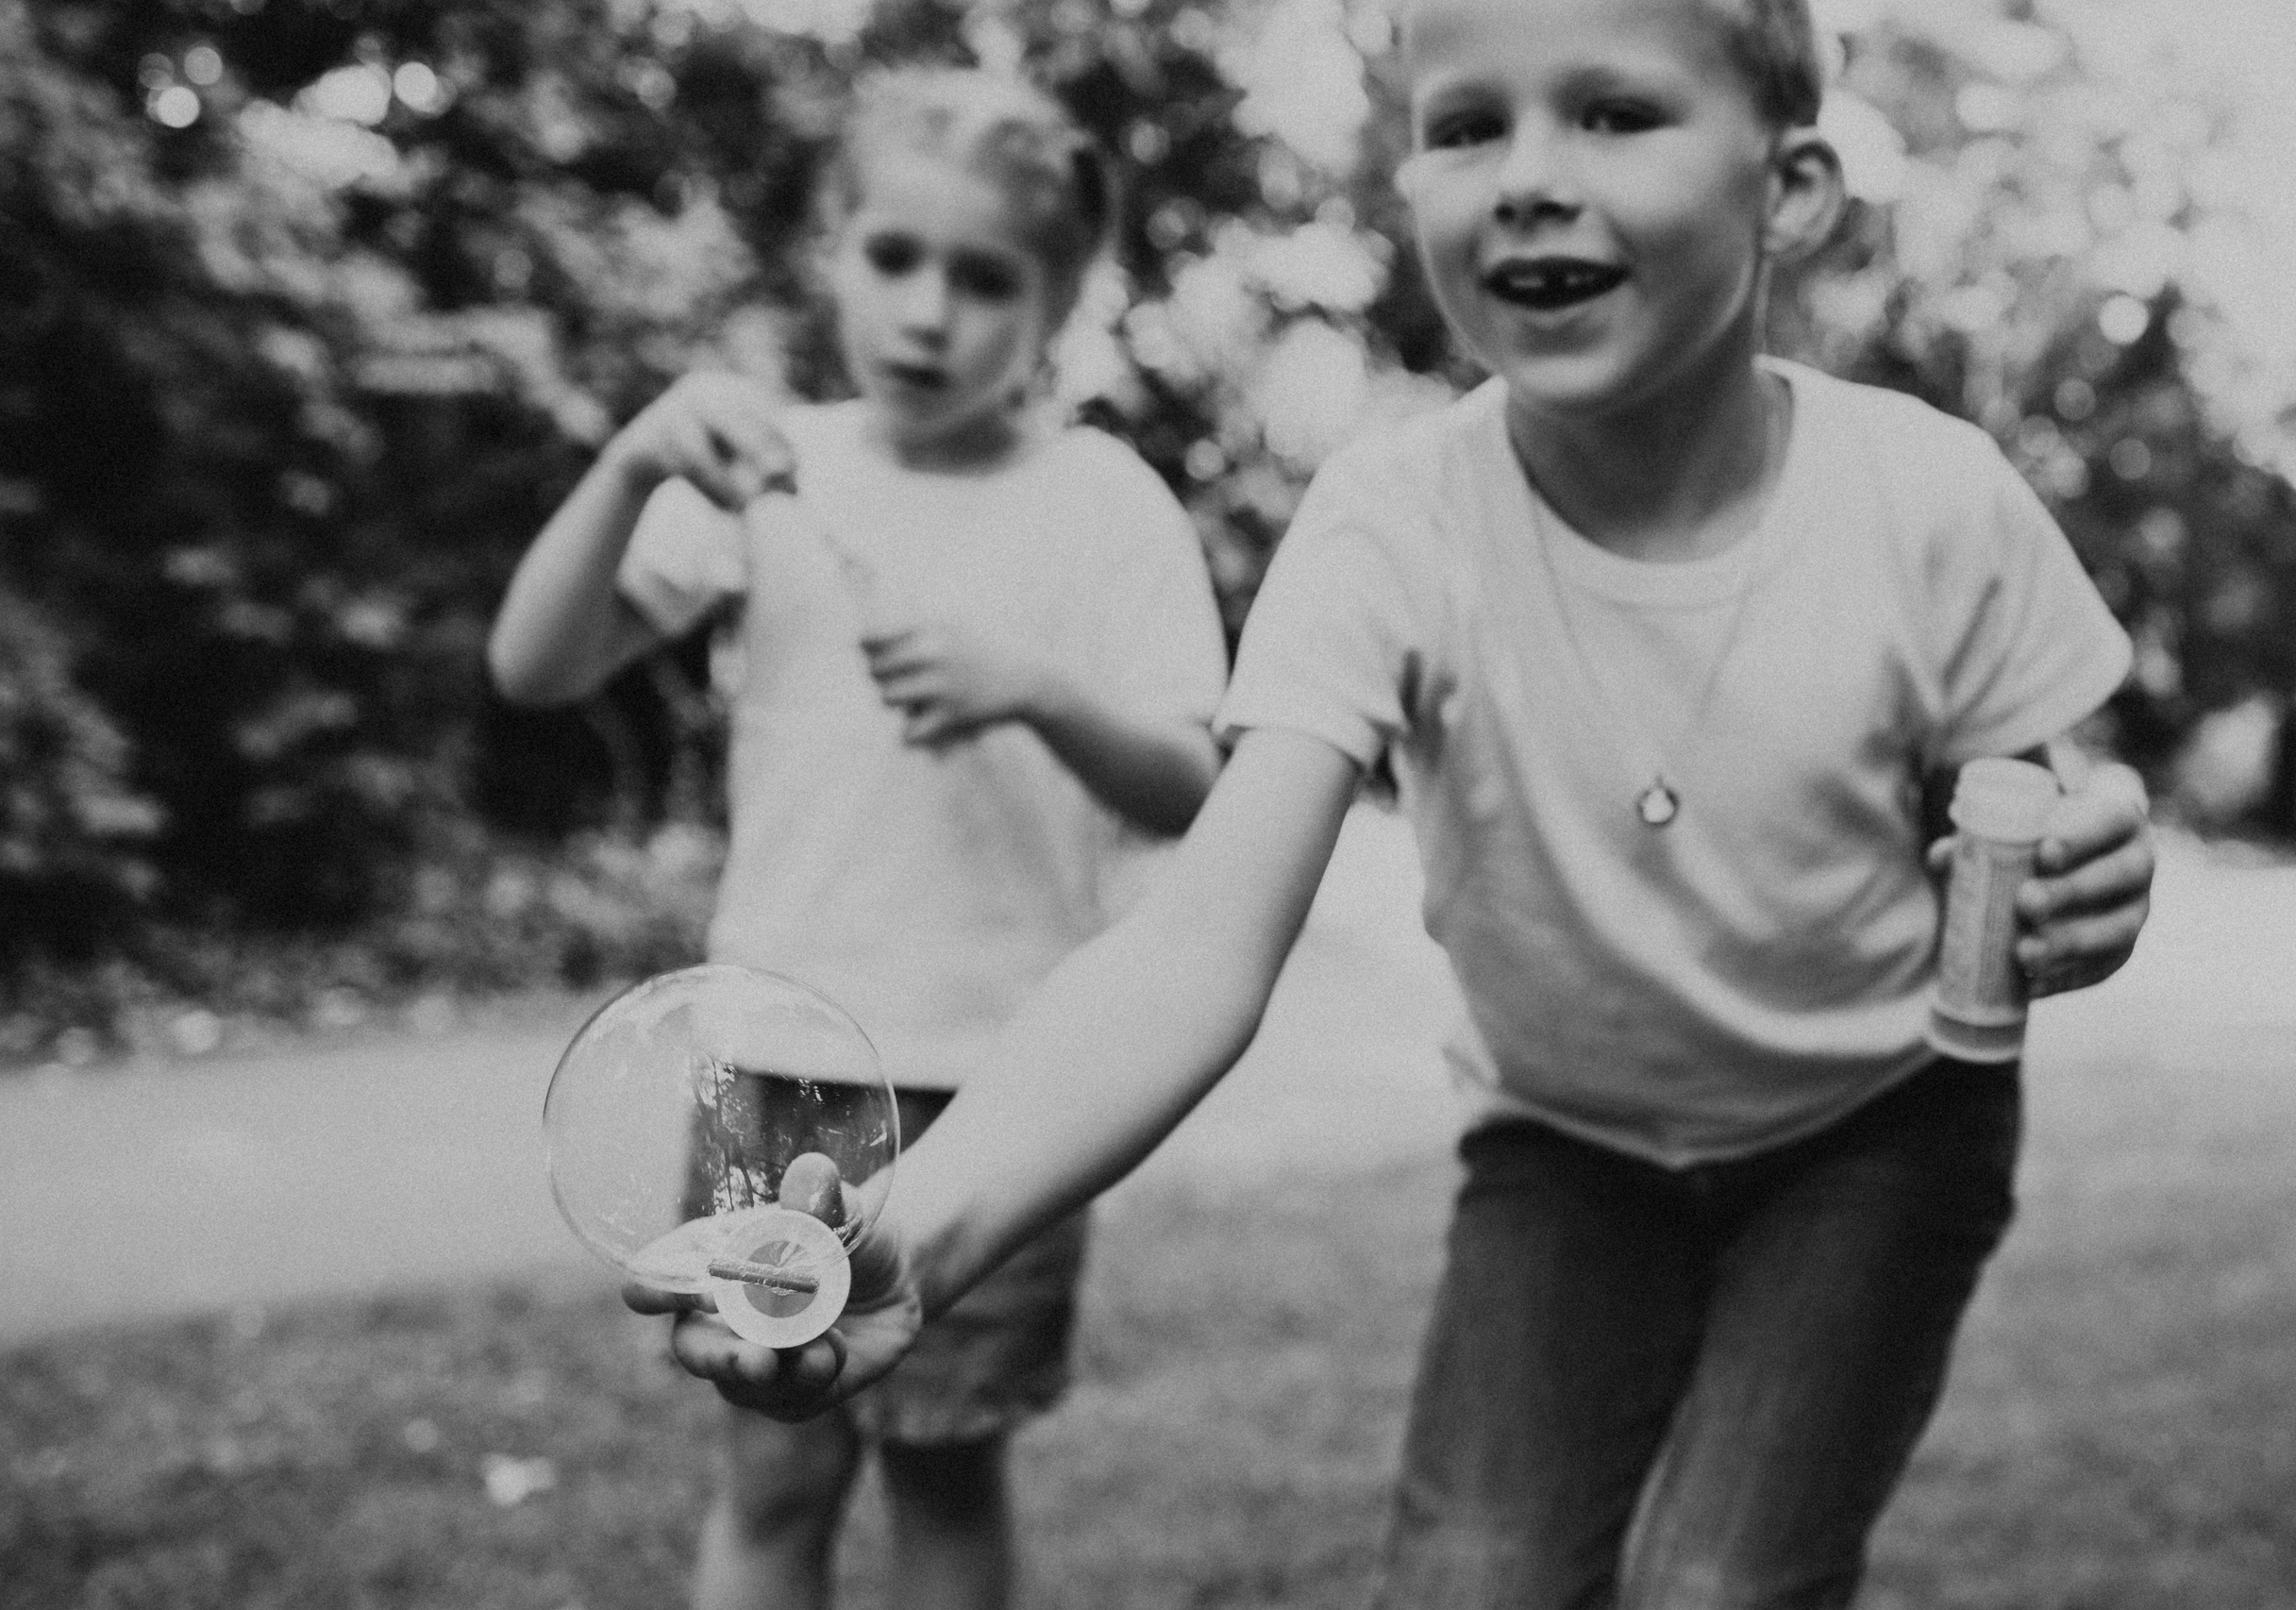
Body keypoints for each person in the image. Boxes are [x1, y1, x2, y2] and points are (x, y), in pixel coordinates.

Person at [645, 1, 2159, 1604]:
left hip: (1874, 1132)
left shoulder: (1930, 499)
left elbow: (2049, 806)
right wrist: (914, 1237)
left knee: (1719, 1581)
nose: (1526, 177)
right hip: (1571, 1148)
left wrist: (2087, 879)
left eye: (1614, 114)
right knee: (1472, 1578)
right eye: (1464, 127)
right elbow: (1194, 946)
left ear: (1788, 188)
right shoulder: (1389, 522)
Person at [488, 66, 1228, 1610]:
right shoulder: (774, 477)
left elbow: (1198, 788)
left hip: (1012, 1081)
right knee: (772, 1466)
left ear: (1058, 301)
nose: (928, 310)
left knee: (945, 1459)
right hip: (774, 1064)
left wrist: (1034, 691)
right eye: (893, 257)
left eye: (984, 277)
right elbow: (536, 666)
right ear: (831, 249)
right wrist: (631, 463)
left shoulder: (1105, 503)